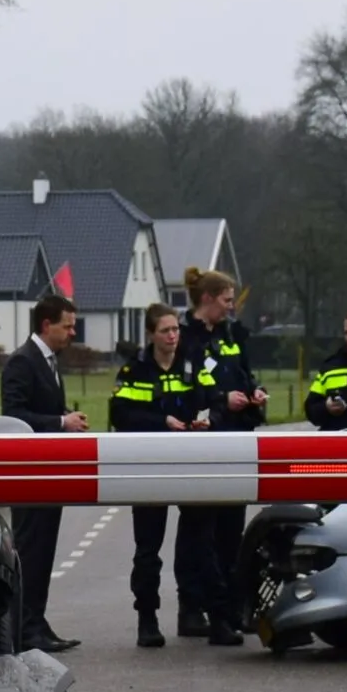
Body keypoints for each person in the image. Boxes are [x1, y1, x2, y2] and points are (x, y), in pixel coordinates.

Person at [109, 304, 209, 648]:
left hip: (189, 463)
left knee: (195, 541)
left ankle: (191, 610)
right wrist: (160, 421)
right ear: (151, 334)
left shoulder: (191, 364)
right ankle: (147, 618)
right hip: (149, 466)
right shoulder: (135, 370)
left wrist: (203, 419)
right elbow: (120, 414)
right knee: (148, 548)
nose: (172, 336)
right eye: (165, 330)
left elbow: (208, 398)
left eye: (176, 329)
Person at [182, 267, 265, 645]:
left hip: (237, 441)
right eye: (227, 301)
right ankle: (194, 608)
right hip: (204, 442)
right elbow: (184, 390)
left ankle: (230, 609)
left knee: (232, 529)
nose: (232, 308)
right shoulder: (184, 338)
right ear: (208, 299)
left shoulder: (232, 336)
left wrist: (254, 394)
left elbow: (244, 375)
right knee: (199, 532)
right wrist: (220, 400)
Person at [2, 292, 87, 654]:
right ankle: (25, 628)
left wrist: (64, 415)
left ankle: (37, 621)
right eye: (67, 326)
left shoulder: (48, 361)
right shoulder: (22, 362)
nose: (73, 333)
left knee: (44, 553)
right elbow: (15, 415)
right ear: (46, 325)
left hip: (49, 476)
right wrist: (60, 421)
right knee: (31, 553)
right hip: (29, 477)